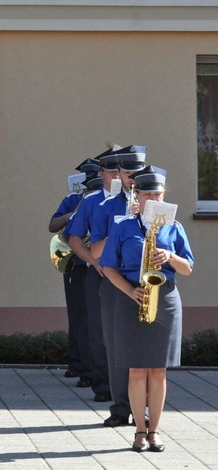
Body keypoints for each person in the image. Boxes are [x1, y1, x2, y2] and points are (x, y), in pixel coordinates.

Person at [100, 168, 193, 452]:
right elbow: (107, 267)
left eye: (158, 193)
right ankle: (139, 430)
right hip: (133, 297)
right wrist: (130, 292)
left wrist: (170, 256)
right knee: (137, 370)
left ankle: (155, 431)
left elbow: (188, 268)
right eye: (148, 193)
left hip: (164, 297)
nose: (154, 197)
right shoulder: (123, 226)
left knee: (158, 370)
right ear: (136, 196)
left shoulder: (174, 227)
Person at [90, 145, 147, 427]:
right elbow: (97, 250)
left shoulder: (155, 202)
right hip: (114, 283)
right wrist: (123, 224)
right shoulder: (106, 206)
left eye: (138, 170)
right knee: (116, 346)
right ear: (119, 173)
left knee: (146, 348)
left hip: (147, 282)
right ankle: (120, 408)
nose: (132, 176)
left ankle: (144, 409)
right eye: (127, 171)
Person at [66, 147, 120, 404]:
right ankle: (103, 385)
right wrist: (92, 260)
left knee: (127, 330)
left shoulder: (140, 199)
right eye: (112, 170)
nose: (118, 175)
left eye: (123, 170)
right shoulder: (91, 200)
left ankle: (128, 386)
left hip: (130, 274)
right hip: (98, 273)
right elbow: (74, 238)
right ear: (102, 173)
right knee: (97, 331)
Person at [48, 158, 100, 382]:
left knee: (93, 318)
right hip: (76, 264)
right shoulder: (73, 199)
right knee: (78, 316)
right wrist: (74, 214)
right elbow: (53, 225)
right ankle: (77, 362)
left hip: (98, 264)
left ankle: (91, 368)